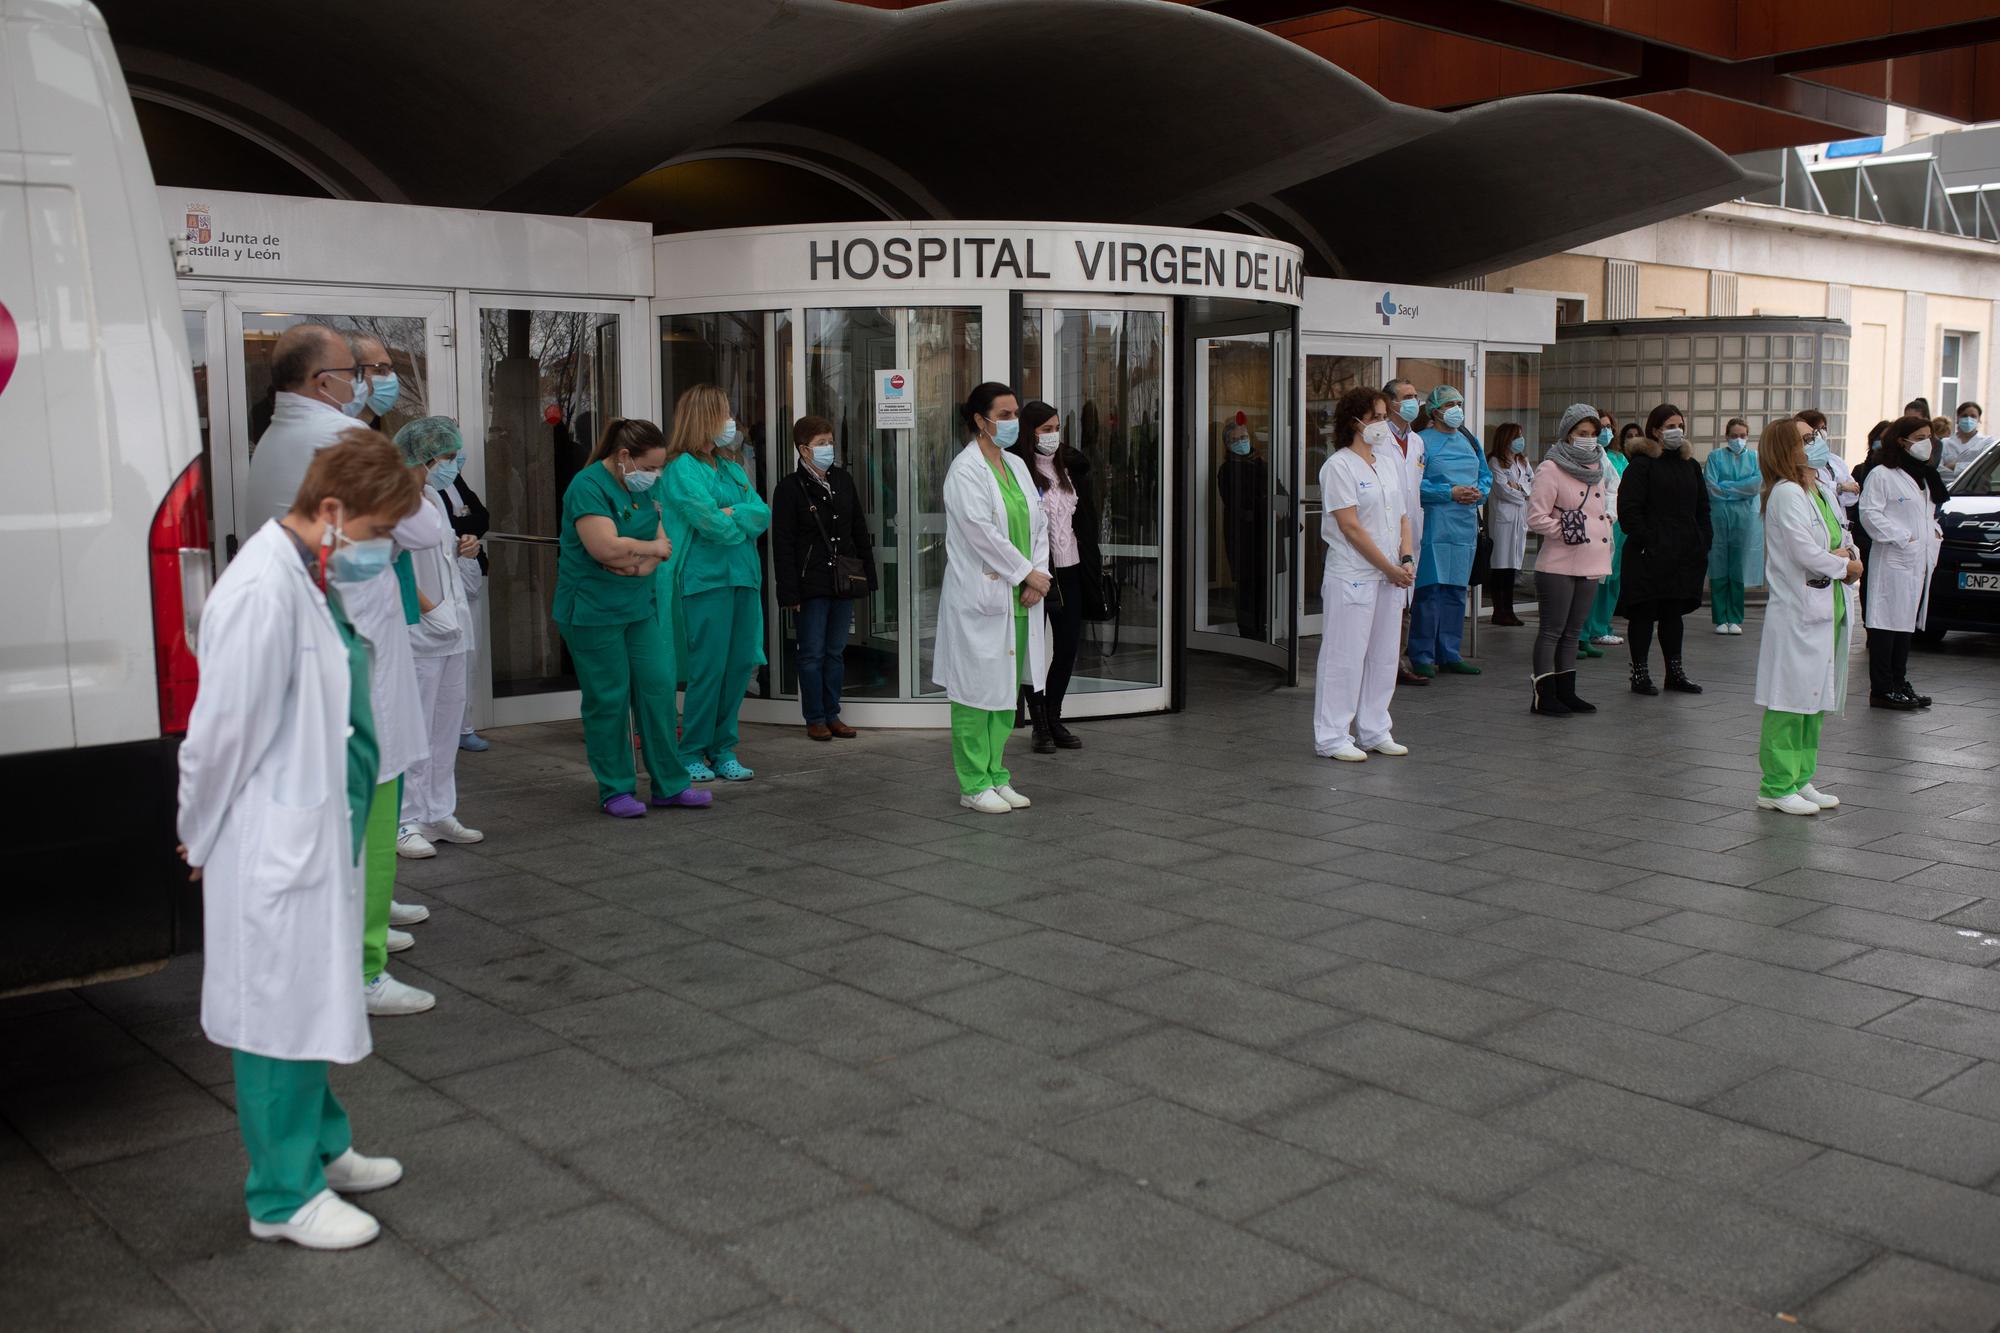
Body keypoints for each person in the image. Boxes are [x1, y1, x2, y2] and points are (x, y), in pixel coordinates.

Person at [178, 432, 422, 1250]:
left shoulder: (310, 574)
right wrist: (196, 831)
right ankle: (282, 1195)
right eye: (380, 530)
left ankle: (321, 1145)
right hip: (271, 841)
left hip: (319, 830)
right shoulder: (261, 591)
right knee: (276, 1014)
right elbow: (218, 736)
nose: (382, 549)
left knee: (314, 994)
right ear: (331, 512)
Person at [247, 325, 439, 1015]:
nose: (366, 380)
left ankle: (366, 928)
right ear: (320, 381)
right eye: (355, 369)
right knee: (367, 803)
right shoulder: (342, 440)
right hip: (352, 645)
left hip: (325, 637)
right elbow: (425, 529)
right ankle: (359, 969)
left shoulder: (278, 438)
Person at [553, 418, 712, 817]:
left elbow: (661, 548)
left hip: (636, 607)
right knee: (608, 699)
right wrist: (642, 552)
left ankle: (670, 785)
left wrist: (638, 557)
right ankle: (616, 789)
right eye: (651, 467)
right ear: (624, 457)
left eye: (659, 468)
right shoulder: (587, 487)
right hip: (590, 611)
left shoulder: (644, 486)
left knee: (657, 690)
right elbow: (605, 549)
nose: (655, 476)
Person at [934, 382, 1052, 814]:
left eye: (1014, 413)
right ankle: (972, 783)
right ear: (979, 421)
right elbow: (981, 533)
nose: (1011, 422)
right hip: (982, 598)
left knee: (1004, 693)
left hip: (1019, 597)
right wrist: (1026, 574)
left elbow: (1038, 523)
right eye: (1003, 415)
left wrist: (1036, 576)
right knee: (973, 695)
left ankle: (997, 775)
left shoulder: (1018, 466)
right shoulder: (964, 471)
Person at [1754, 416, 1862, 816]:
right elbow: (1805, 552)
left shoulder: (1815, 489)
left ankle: (1800, 778)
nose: (1814, 442)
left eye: (1814, 436)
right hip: (1798, 612)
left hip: (1826, 606)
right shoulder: (1785, 494)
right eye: (1805, 438)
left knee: (1814, 699)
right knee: (1788, 701)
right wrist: (1844, 565)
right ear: (1786, 449)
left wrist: (1847, 558)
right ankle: (1776, 784)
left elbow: (1844, 538)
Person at [663, 386, 770, 782]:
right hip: (704, 581)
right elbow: (709, 523)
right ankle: (691, 750)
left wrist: (734, 514)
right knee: (707, 669)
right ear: (705, 418)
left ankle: (723, 748)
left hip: (742, 577)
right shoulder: (681, 469)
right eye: (724, 413)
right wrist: (734, 520)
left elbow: (761, 514)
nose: (732, 423)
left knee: (739, 665)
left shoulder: (731, 467)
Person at [392, 418, 483, 854]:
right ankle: (405, 818)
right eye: (447, 458)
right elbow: (393, 565)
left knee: (446, 724)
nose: (452, 466)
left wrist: (468, 546)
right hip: (418, 631)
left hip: (451, 628)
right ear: (424, 458)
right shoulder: (391, 497)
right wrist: (431, 611)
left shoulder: (432, 496)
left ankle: (437, 810)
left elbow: (440, 553)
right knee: (414, 728)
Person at [1311, 388, 1414, 761]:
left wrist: (1404, 558)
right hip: (1354, 575)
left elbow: (1402, 516)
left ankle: (1374, 729)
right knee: (1345, 656)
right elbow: (1351, 528)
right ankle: (1332, 736)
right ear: (1354, 422)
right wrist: (1389, 568)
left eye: (1385, 416)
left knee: (1384, 656)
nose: (1382, 425)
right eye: (1376, 417)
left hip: (1390, 575)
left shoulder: (1387, 462)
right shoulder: (1338, 466)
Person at [771, 414, 877, 741]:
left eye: (830, 442)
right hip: (810, 582)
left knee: (835, 651)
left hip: (842, 580)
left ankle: (833, 713)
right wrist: (790, 593)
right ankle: (814, 717)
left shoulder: (843, 481)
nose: (828, 448)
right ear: (804, 450)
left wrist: (868, 575)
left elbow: (858, 527)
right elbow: (783, 544)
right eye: (821, 444)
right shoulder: (790, 489)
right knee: (812, 652)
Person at [1012, 401, 1110, 752]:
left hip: (1071, 571)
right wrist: (1026, 574)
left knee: (1067, 647)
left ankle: (1055, 716)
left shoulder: (1071, 467)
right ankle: (1038, 723)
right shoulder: (1017, 469)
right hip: (1036, 573)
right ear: (1030, 433)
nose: (1053, 435)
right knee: (1032, 651)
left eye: (1056, 428)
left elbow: (1085, 520)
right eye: (1046, 429)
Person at [1526, 405, 1616, 716]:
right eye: (1582, 434)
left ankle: (1567, 691)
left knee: (1573, 631)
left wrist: (1606, 521)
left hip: (1591, 560)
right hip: (1559, 562)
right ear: (1568, 434)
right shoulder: (1551, 468)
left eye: (1593, 434)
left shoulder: (1597, 467)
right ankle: (1543, 694)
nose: (1589, 440)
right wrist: (1566, 529)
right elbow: (1535, 517)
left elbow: (1602, 506)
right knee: (1552, 629)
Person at [1618, 403, 1711, 695]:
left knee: (1673, 613)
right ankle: (1640, 674)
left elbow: (1702, 508)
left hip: (1682, 554)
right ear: (1655, 430)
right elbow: (1629, 510)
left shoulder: (1690, 465)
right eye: (1670, 426)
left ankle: (1675, 672)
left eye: (1680, 425)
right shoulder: (1642, 465)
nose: (1677, 431)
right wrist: (1650, 541)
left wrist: (1702, 540)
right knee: (1644, 613)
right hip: (1649, 554)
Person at [1859, 416, 1944, 711]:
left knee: (1905, 624)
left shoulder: (1924, 475)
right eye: (1919, 437)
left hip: (1917, 562)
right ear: (1901, 441)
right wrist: (1902, 537)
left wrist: (1932, 534)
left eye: (1929, 437)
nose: (1926, 443)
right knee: (1885, 625)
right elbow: (1870, 514)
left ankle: (1899, 681)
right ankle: (1881, 688)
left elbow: (1926, 514)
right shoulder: (1881, 475)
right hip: (1894, 559)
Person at [1409, 385, 1490, 676]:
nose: (1457, 408)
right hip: (1434, 524)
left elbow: (1485, 474)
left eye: (1460, 402)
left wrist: (1478, 493)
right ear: (1434, 410)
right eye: (1450, 403)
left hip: (1463, 526)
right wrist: (1448, 492)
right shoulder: (1420, 442)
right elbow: (1412, 484)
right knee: (1429, 590)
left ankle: (1450, 652)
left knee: (1456, 591)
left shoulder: (1469, 440)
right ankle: (1422, 654)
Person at [1383, 379, 1430, 687]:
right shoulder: (1378, 438)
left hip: (1412, 526)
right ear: (1390, 404)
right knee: (1388, 599)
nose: (1414, 402)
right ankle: (1385, 664)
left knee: (1405, 601)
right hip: (1385, 529)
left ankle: (1398, 662)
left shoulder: (1417, 442)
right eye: (1407, 397)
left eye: (1415, 396)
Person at [443, 471, 492, 752]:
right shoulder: (424, 489)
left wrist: (463, 526)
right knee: (451, 657)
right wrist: (462, 525)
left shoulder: (455, 480)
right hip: (443, 577)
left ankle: (464, 726)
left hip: (469, 566)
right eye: (448, 455)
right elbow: (446, 525)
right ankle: (452, 728)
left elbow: (482, 518)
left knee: (469, 655)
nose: (453, 462)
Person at [1704, 417, 1764, 635]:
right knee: (1719, 565)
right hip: (1719, 518)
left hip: (1746, 519)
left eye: (1742, 436)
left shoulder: (1756, 458)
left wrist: (1726, 487)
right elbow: (1711, 487)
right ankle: (1720, 617)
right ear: (1726, 436)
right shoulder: (1715, 457)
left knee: (1738, 567)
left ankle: (1735, 617)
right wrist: (1739, 489)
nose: (1738, 439)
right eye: (1734, 436)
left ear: (1747, 437)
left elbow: (1755, 485)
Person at [1215, 417, 1270, 641]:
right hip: (1242, 537)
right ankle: (1248, 634)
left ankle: (1262, 630)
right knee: (1246, 586)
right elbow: (1237, 502)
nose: (1242, 442)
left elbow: (1276, 492)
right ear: (1228, 444)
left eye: (1244, 437)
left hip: (1264, 535)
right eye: (1236, 439)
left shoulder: (1262, 465)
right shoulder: (1227, 470)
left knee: (1263, 585)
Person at [1580, 416, 1629, 657]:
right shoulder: (1586, 455)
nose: (1604, 431)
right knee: (1590, 580)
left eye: (1608, 427)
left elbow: (1617, 488)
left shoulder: (1617, 458)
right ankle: (1585, 631)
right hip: (1590, 524)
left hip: (1614, 525)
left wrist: (1611, 512)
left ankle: (1601, 625)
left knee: (1611, 579)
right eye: (1600, 427)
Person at [1484, 423, 1530, 628]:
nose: (1520, 440)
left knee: (1512, 568)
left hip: (1519, 519)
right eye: (1516, 436)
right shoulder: (1495, 461)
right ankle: (1499, 611)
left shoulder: (1522, 461)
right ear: (1506, 438)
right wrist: (1523, 491)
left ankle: (1509, 610)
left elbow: (1533, 484)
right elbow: (1503, 490)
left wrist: (1519, 487)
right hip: (1503, 520)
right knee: (1501, 566)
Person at [1797, 409, 1860, 517]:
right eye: (1817, 429)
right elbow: (1814, 488)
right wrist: (1841, 487)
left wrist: (1837, 488)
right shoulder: (1803, 463)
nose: (1822, 432)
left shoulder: (1836, 460)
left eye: (1824, 428)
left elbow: (1852, 497)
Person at [1941, 402, 1993, 486]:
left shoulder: (1987, 442)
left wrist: (1953, 466)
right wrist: (1970, 470)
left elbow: (1983, 469)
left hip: (1977, 491)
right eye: (1964, 416)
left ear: (1979, 419)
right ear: (1957, 418)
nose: (1968, 419)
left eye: (1973, 416)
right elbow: (1939, 471)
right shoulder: (1944, 443)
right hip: (1947, 489)